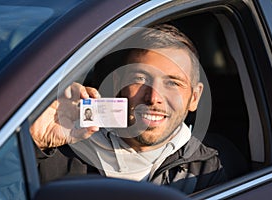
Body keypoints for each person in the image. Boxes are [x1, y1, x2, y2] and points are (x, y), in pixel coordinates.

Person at [30, 24, 226, 194]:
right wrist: (35, 141)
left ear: (194, 97)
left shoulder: (206, 168)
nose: (153, 98)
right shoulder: (61, 152)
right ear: (118, 84)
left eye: (173, 83)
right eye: (140, 79)